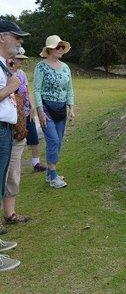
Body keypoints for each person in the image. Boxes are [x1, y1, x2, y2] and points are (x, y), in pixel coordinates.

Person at [0, 19, 30, 271]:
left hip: (5, 131)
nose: (20, 42)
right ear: (1, 37)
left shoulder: (2, 65)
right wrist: (10, 87)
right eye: (16, 37)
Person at [33, 35, 75, 189]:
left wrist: (71, 107)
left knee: (59, 142)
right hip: (46, 109)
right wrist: (40, 111)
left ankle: (50, 173)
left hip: (61, 109)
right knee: (53, 140)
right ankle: (53, 175)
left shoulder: (65, 67)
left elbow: (69, 88)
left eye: (62, 47)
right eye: (58, 47)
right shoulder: (41, 67)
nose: (61, 50)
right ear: (50, 49)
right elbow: (37, 90)